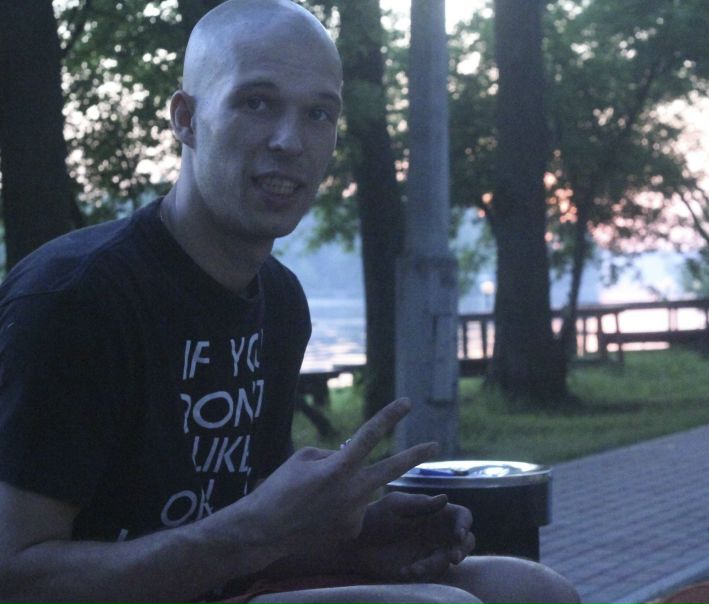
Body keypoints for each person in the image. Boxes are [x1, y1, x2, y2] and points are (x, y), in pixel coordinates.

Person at [0, 1, 580, 603]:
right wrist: (252, 535)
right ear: (186, 119)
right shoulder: (76, 299)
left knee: (531, 590)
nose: (289, 141)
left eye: (318, 113)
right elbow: (12, 576)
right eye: (256, 103)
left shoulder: (279, 301)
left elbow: (242, 528)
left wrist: (354, 543)